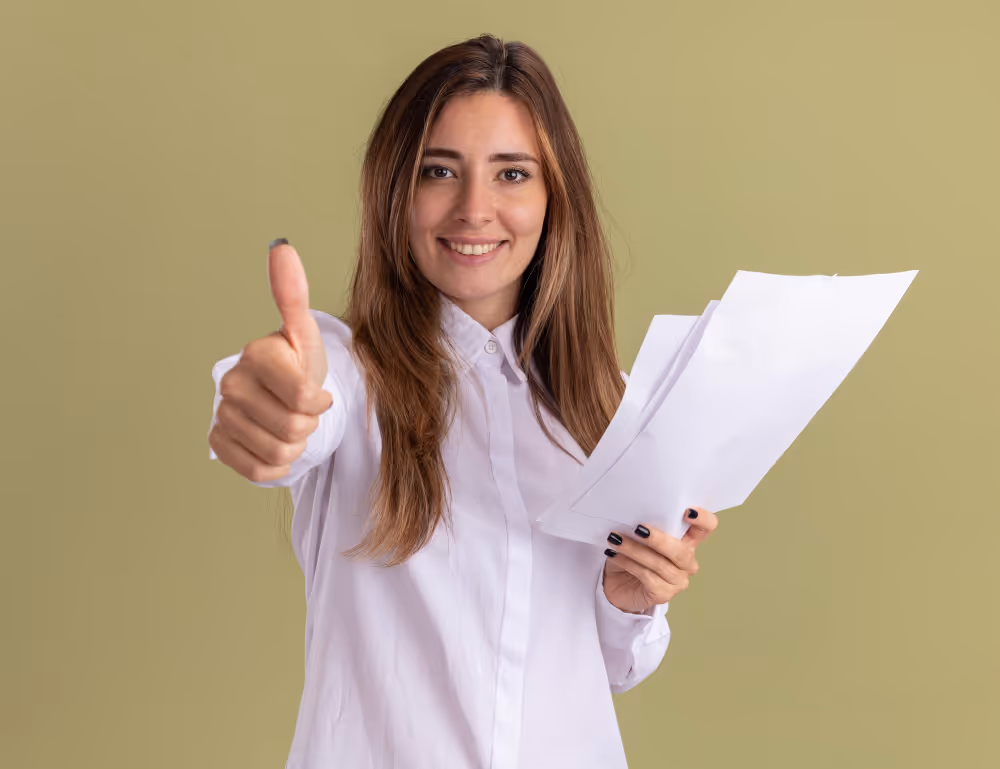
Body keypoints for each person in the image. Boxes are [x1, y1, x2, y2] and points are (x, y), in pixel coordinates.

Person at [207, 33, 719, 769]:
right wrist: (268, 409)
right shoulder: (350, 373)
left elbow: (612, 668)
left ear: (554, 198)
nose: (475, 209)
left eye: (512, 173)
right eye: (438, 171)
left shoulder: (610, 409)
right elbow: (291, 403)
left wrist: (631, 597)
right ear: (395, 193)